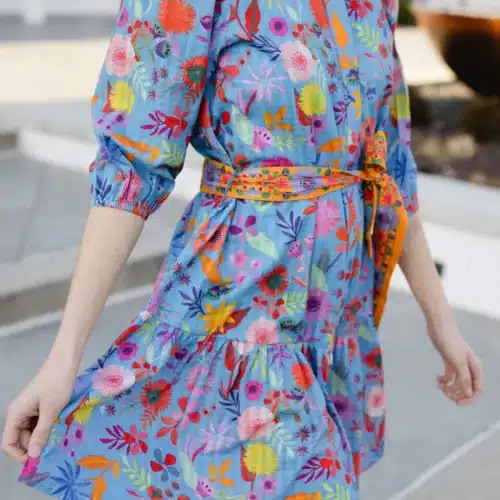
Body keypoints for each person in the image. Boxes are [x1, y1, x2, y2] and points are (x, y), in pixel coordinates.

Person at [2, 0, 483, 498]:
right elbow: (131, 170)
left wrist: (441, 323)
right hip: (239, 317)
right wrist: (62, 360)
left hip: (332, 326)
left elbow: (390, 173)